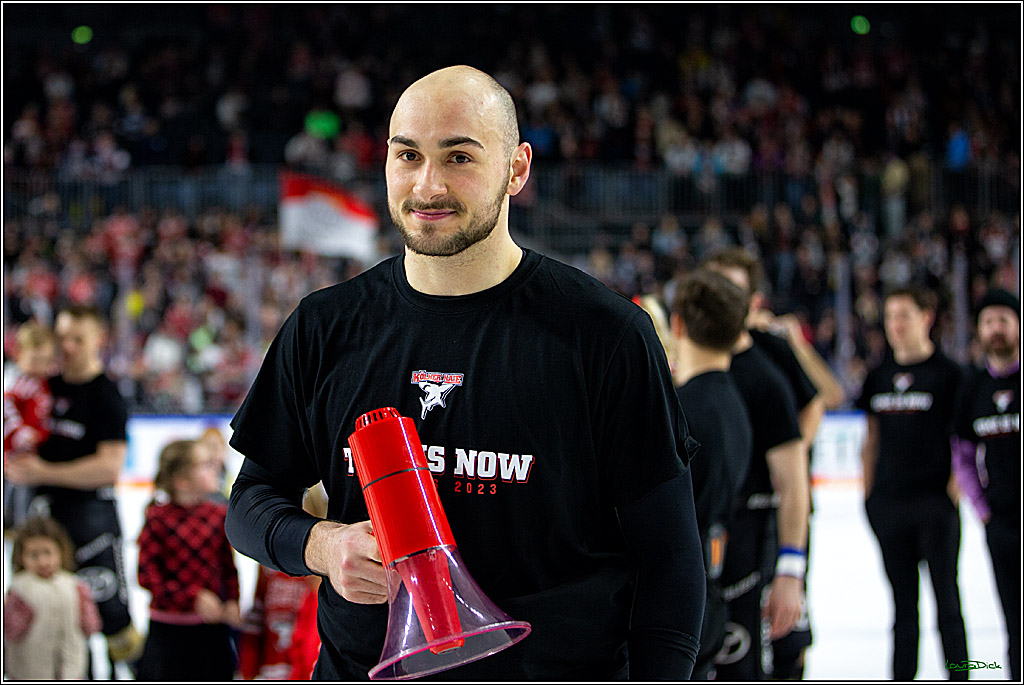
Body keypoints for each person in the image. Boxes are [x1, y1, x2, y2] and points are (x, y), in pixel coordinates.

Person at [225, 65, 705, 680]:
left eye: (459, 158)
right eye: (408, 156)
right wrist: (322, 545)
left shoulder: (604, 336)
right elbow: (252, 502)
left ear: (517, 168)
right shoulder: (325, 326)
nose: (428, 186)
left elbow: (670, 558)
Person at [704, 247, 829, 680]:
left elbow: (818, 402)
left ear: (753, 301)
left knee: (781, 642)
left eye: (732, 291)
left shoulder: (769, 355)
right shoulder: (692, 359)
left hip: (770, 517)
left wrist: (790, 451)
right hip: (719, 529)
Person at [3, 305, 144, 674]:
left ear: (99, 340)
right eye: (62, 337)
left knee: (111, 619)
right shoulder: (43, 385)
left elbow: (108, 468)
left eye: (77, 339)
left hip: (91, 526)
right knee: (48, 619)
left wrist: (43, 472)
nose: (66, 346)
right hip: (42, 523)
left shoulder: (106, 395)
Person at [856, 286, 968, 680]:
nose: (895, 325)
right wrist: (868, 496)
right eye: (890, 317)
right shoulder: (878, 376)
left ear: (927, 317)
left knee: (948, 606)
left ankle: (961, 674)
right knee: (904, 609)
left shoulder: (950, 375)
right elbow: (870, 441)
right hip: (889, 505)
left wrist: (952, 493)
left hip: (935, 504)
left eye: (904, 315)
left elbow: (963, 442)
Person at [667, 269, 754, 680]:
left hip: (673, 605)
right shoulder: (733, 405)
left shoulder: (680, 410)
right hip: (709, 592)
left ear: (678, 323)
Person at [951, 288, 1020, 681]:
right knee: (1014, 622)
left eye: (1004, 321)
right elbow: (962, 453)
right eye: (989, 322)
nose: (996, 329)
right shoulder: (973, 387)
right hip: (1002, 524)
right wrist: (982, 509)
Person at [136, 438, 242, 680]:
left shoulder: (219, 516)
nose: (216, 467)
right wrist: (192, 597)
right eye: (206, 464)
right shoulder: (157, 519)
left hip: (211, 631)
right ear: (182, 481)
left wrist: (233, 601)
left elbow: (228, 568)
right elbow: (147, 577)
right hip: (169, 633)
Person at [238, 483, 327, 680]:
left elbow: (315, 639)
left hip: (304, 671)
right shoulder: (268, 565)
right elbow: (256, 619)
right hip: (270, 669)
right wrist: (248, 671)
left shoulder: (321, 572)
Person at [3, 516, 102, 680]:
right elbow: (12, 631)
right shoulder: (20, 589)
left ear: (60, 551)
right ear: (21, 556)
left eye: (47, 553)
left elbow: (90, 626)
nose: (42, 561)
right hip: (29, 672)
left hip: (71, 670)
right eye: (34, 555)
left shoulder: (75, 585)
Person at [3, 322, 56, 534]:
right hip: (17, 455)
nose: (40, 366)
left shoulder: (41, 382)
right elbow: (7, 409)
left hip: (33, 455)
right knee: (18, 495)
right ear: (19, 354)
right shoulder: (16, 382)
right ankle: (17, 529)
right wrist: (20, 434)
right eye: (35, 360)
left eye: (45, 361)